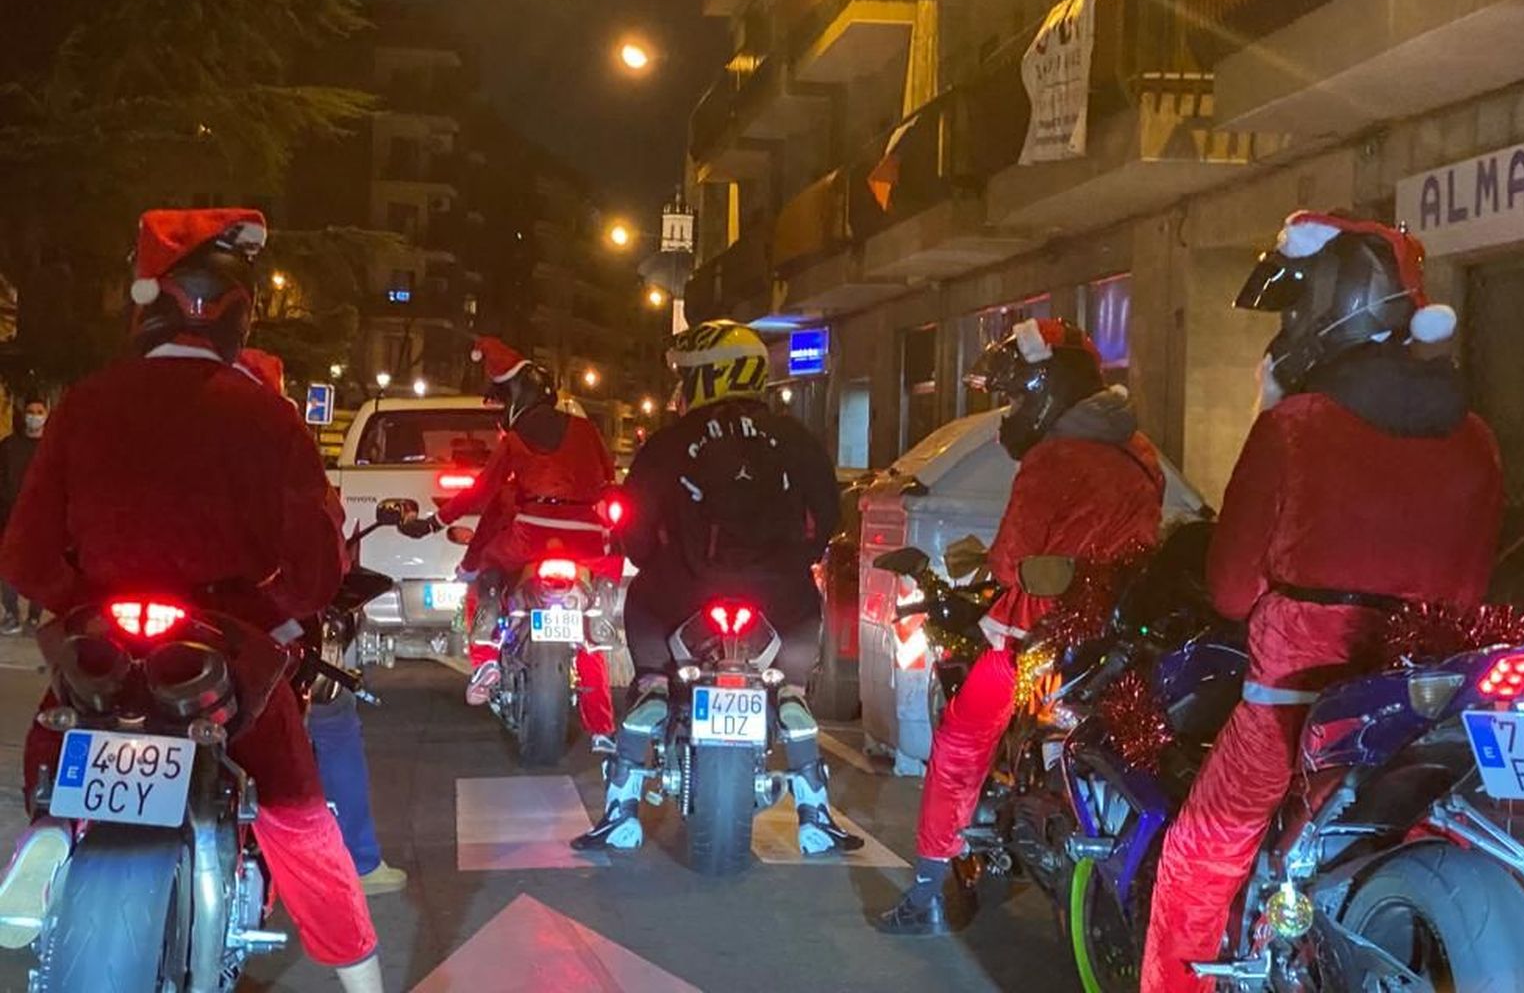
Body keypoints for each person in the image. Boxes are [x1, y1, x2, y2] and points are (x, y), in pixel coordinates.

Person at [0, 208, 383, 992]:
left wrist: (84, 602)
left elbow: (26, 553)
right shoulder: (270, 418)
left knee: (60, 730)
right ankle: (360, 976)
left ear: (144, 308)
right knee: (295, 808)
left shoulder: (85, 403)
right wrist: (276, 615)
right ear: (240, 316)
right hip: (223, 641)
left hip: (104, 632)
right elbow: (314, 563)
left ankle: (45, 832)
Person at [1141, 211, 1503, 992]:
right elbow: (1472, 589)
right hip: (1424, 705)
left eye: (1293, 308)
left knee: (1198, 859)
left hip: (1293, 705)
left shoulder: (1296, 426)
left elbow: (1231, 590)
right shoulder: (1476, 437)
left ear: (1326, 306)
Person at [877, 317, 1165, 935]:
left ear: (1046, 389)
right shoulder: (1141, 453)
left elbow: (1010, 560)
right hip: (1121, 636)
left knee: (960, 743)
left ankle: (926, 892)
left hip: (1039, 637)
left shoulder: (1053, 457)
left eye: (1015, 395)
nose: (1011, 409)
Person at [571, 319, 862, 855]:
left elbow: (634, 531)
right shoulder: (796, 440)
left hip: (680, 597)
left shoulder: (668, 444)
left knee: (654, 678)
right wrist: (798, 561)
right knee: (793, 692)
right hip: (784, 602)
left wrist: (659, 561)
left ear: (711, 377)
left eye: (689, 377)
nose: (681, 390)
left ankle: (621, 809)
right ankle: (815, 815)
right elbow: (826, 514)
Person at [234, 347, 408, 898]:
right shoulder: (283, 446)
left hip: (131, 625)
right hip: (262, 630)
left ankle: (58, 839)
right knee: (330, 721)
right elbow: (323, 546)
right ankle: (356, 862)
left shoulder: (152, 429)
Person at [401, 336, 618, 739]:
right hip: (588, 538)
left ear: (517, 396)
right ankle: (601, 725)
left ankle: (484, 655)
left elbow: (480, 493)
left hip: (532, 536)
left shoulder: (515, 441)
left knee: (484, 571)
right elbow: (608, 479)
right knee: (591, 630)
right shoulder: (586, 429)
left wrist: (433, 522)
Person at [0, 397, 48, 633]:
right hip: (10, 519)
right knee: (8, 569)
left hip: (42, 520)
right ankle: (11, 613)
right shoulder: (9, 446)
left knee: (38, 570)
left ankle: (34, 618)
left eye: (39, 411)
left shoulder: (52, 446)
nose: (34, 416)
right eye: (30, 411)